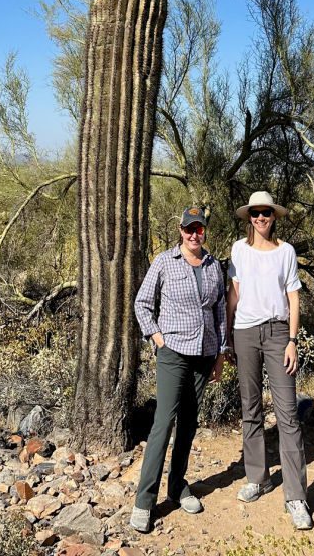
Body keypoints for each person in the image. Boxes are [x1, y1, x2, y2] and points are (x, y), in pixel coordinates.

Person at [130, 206, 227, 534]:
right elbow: (142, 303)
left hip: (204, 353)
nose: (194, 234)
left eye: (199, 229)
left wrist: (220, 353)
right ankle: (144, 501)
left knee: (188, 422)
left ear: (205, 231)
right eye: (189, 229)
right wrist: (157, 337)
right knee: (163, 423)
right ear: (181, 231)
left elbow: (219, 313)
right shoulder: (164, 262)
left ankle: (177, 486)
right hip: (173, 352)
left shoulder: (214, 266)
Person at [227, 190, 313, 530]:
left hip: (279, 333)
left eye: (266, 213)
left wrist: (292, 341)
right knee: (250, 408)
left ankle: (296, 497)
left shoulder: (286, 252)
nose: (261, 218)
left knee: (287, 414)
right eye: (256, 213)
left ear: (274, 216)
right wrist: (227, 336)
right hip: (245, 332)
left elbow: (293, 298)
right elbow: (233, 294)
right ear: (249, 216)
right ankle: (258, 477)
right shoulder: (238, 250)